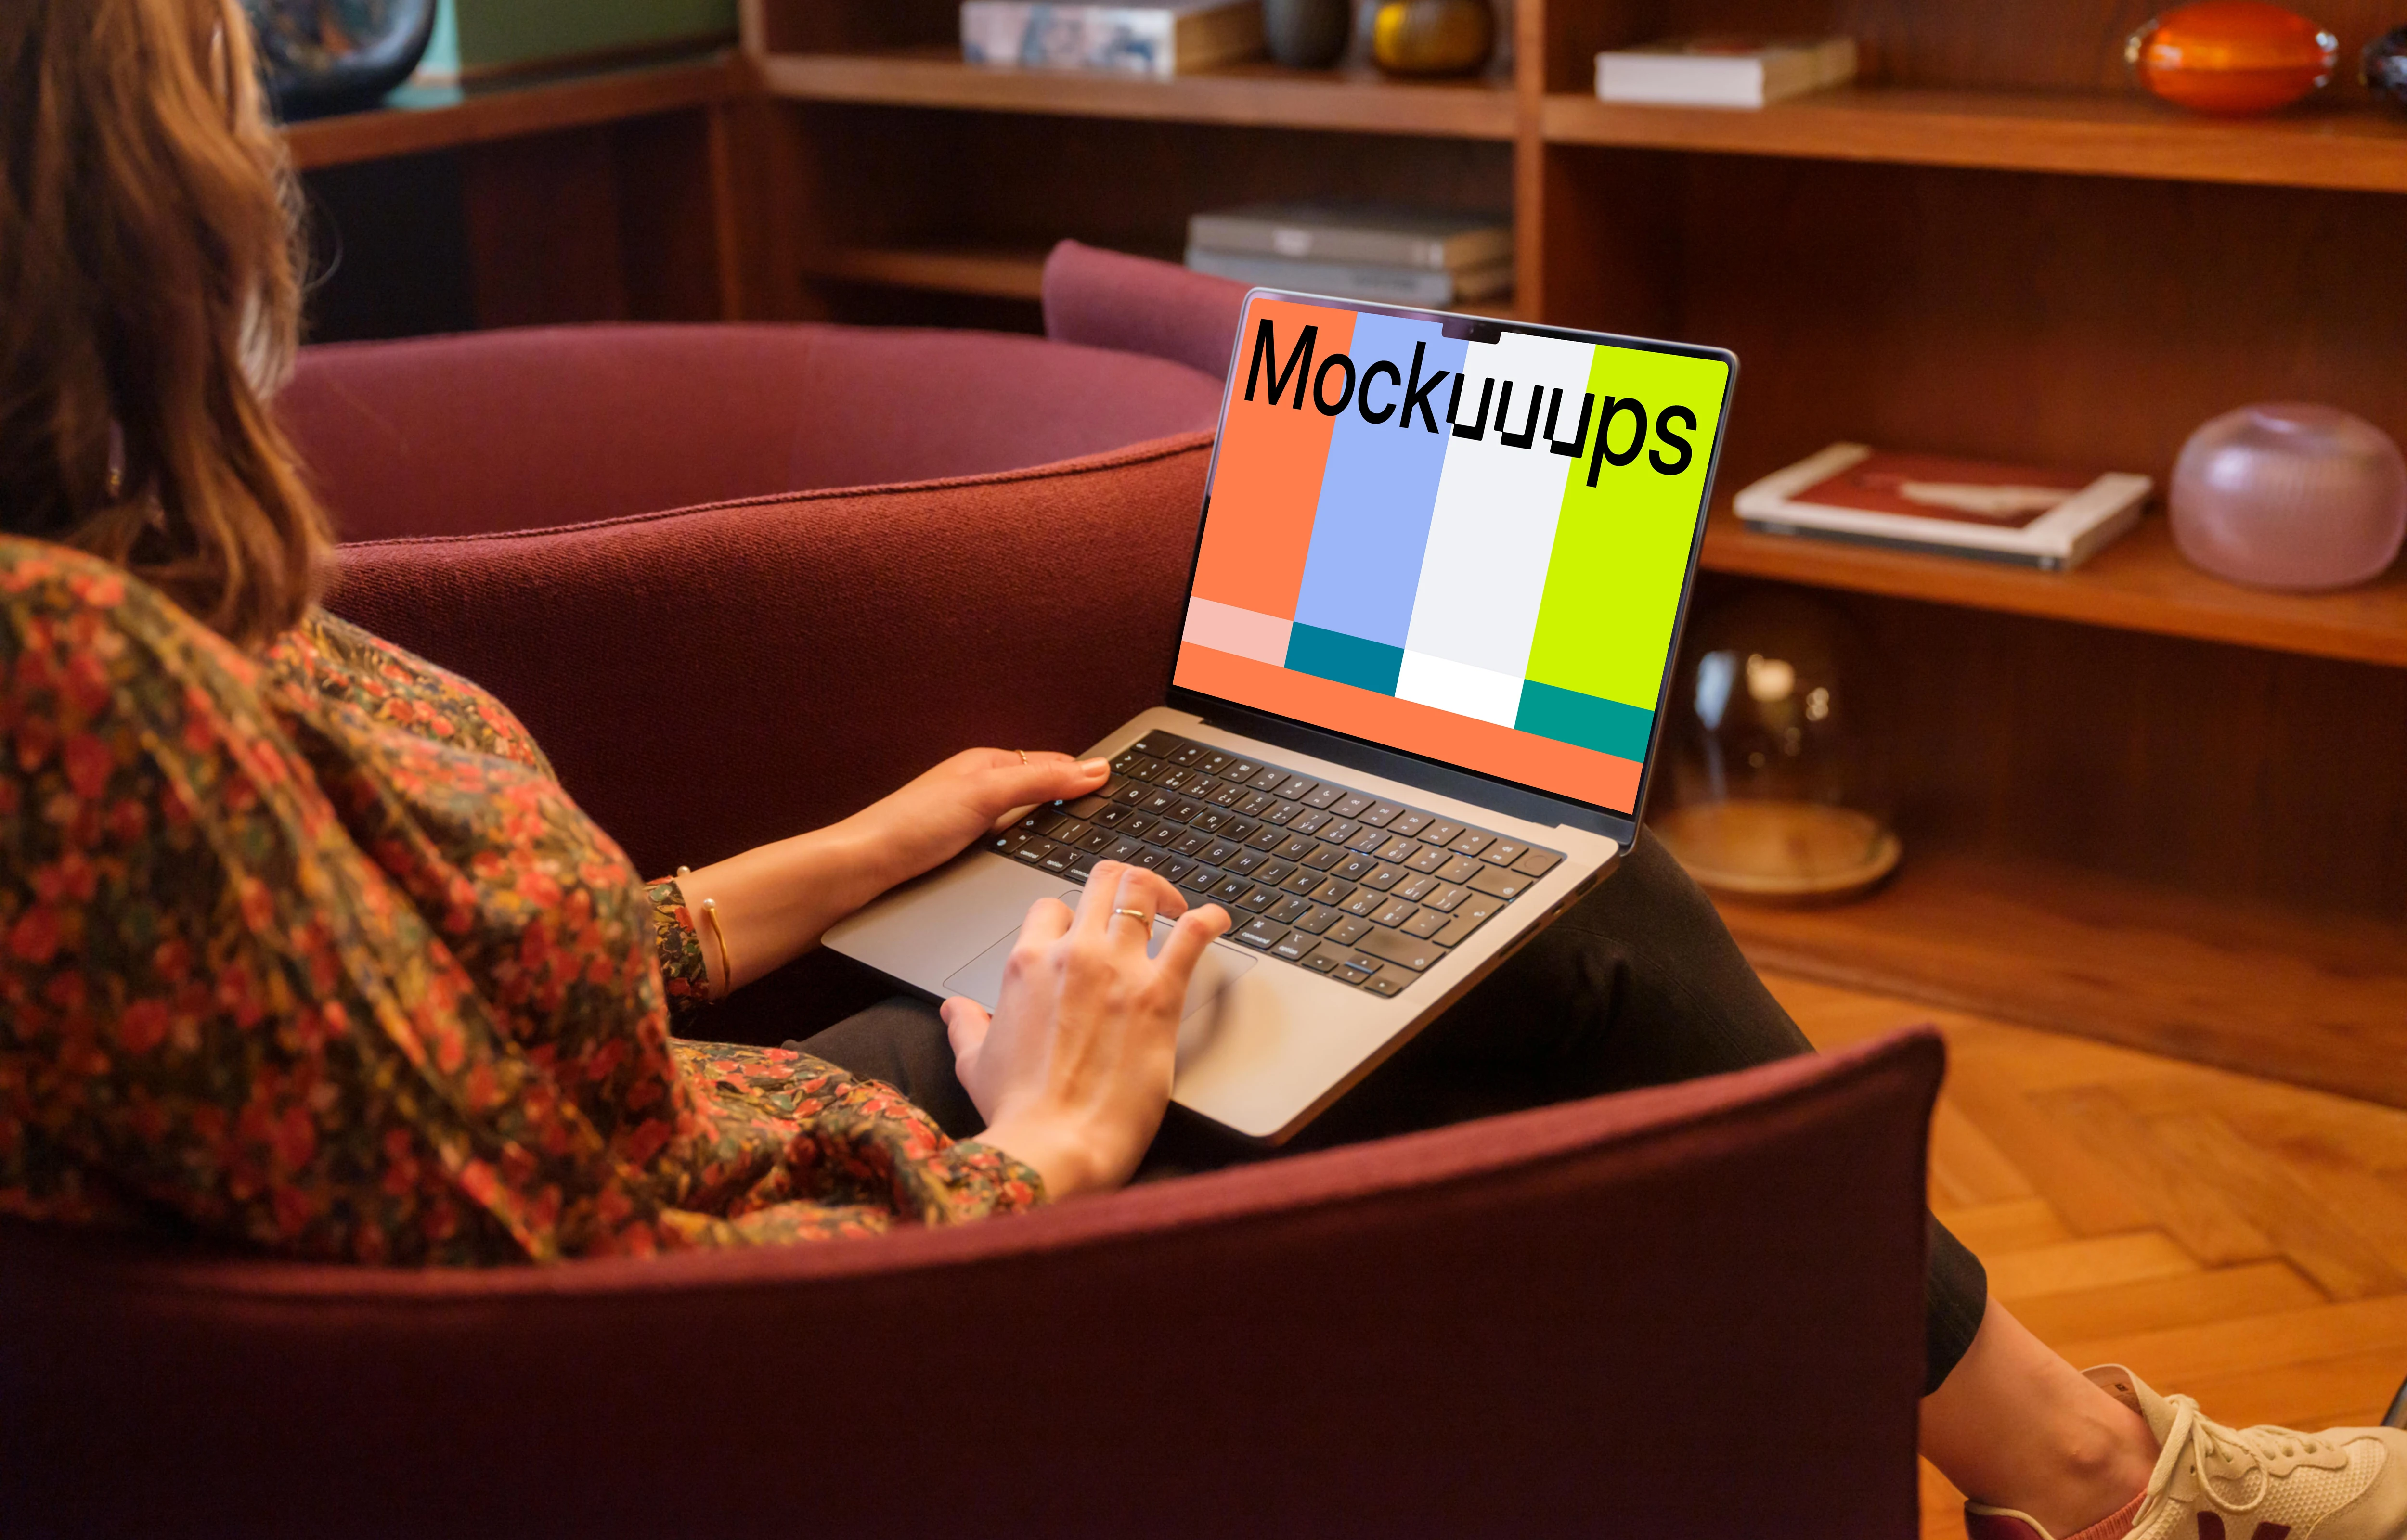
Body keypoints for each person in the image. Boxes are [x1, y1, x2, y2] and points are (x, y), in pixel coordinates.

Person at [0, 3, 2398, 1537]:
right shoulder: (62, 690)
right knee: (1567, 916)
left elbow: (430, 1009)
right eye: (221, 79)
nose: (265, 141)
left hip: (702, 1128)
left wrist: (866, 841)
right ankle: (2098, 1473)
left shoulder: (100, 592)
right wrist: (1042, 1142)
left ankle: (2068, 1462)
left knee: (1473, 910)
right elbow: (541, 1342)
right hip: (772, 1287)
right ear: (108, 176)